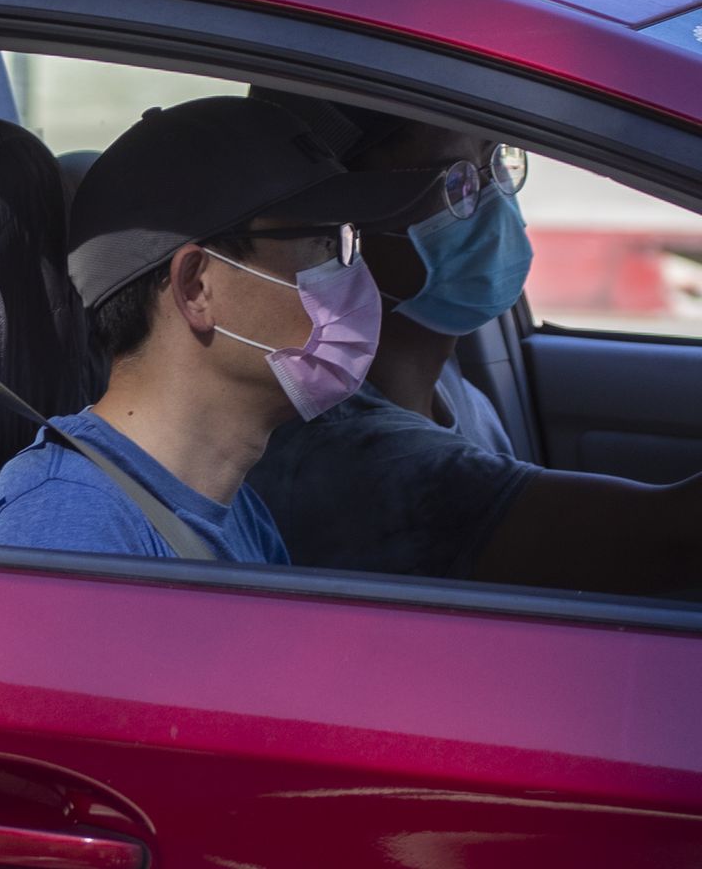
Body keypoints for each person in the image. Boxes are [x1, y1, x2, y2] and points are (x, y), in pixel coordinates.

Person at [248, 95, 702, 594]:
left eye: (496, 162)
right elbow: (674, 544)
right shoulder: (347, 455)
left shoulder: (445, 382)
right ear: (341, 221)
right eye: (457, 182)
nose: (497, 199)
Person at [0, 97, 433, 560]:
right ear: (196, 288)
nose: (353, 274)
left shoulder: (237, 510)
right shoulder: (70, 522)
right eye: (323, 244)